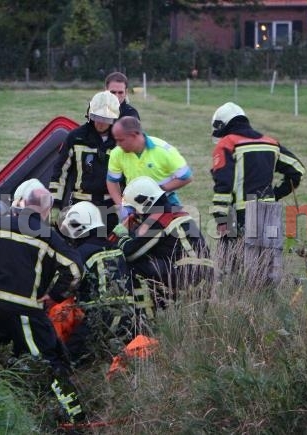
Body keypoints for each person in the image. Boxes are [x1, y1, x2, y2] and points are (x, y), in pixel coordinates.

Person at [0, 185, 86, 424]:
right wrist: (54, 295)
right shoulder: (48, 236)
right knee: (50, 361)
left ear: (22, 204)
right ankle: (75, 420)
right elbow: (75, 270)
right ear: (46, 211)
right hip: (28, 312)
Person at [57, 201, 139, 365]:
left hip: (101, 316)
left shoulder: (80, 253)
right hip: (130, 317)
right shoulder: (114, 248)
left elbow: (66, 286)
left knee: (67, 359)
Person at [111, 176, 213, 305]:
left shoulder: (161, 219)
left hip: (191, 277)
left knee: (132, 265)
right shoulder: (172, 211)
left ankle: (143, 313)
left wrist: (122, 235)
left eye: (134, 208)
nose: (135, 213)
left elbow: (130, 253)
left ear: (146, 203)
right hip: (199, 274)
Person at [210, 102, 305, 238]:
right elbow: (297, 170)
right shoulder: (270, 143)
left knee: (236, 259)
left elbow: (224, 183)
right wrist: (275, 194)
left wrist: (221, 218)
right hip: (270, 213)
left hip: (240, 215)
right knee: (269, 257)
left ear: (222, 125)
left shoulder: (227, 144)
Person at [49, 90, 120, 230]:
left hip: (112, 207)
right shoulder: (76, 138)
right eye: (96, 117)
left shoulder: (120, 141)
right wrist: (55, 205)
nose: (100, 123)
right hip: (81, 204)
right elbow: (60, 174)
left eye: (105, 119)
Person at [107, 116, 193, 220]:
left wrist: (157, 191)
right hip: (134, 208)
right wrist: (122, 207)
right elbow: (111, 181)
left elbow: (186, 177)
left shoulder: (163, 150)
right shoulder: (117, 153)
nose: (118, 144)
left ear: (134, 135)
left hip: (167, 203)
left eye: (121, 140)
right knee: (125, 235)